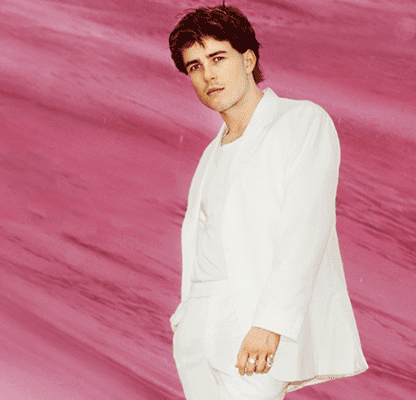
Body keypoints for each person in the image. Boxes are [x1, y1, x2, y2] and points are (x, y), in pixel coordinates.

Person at [165, 6, 366, 399]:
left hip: (250, 321)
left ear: (248, 60)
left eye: (217, 58)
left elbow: (306, 227)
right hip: (197, 328)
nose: (208, 75)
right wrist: (186, 319)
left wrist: (270, 323)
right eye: (194, 66)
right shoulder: (211, 154)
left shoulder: (301, 122)